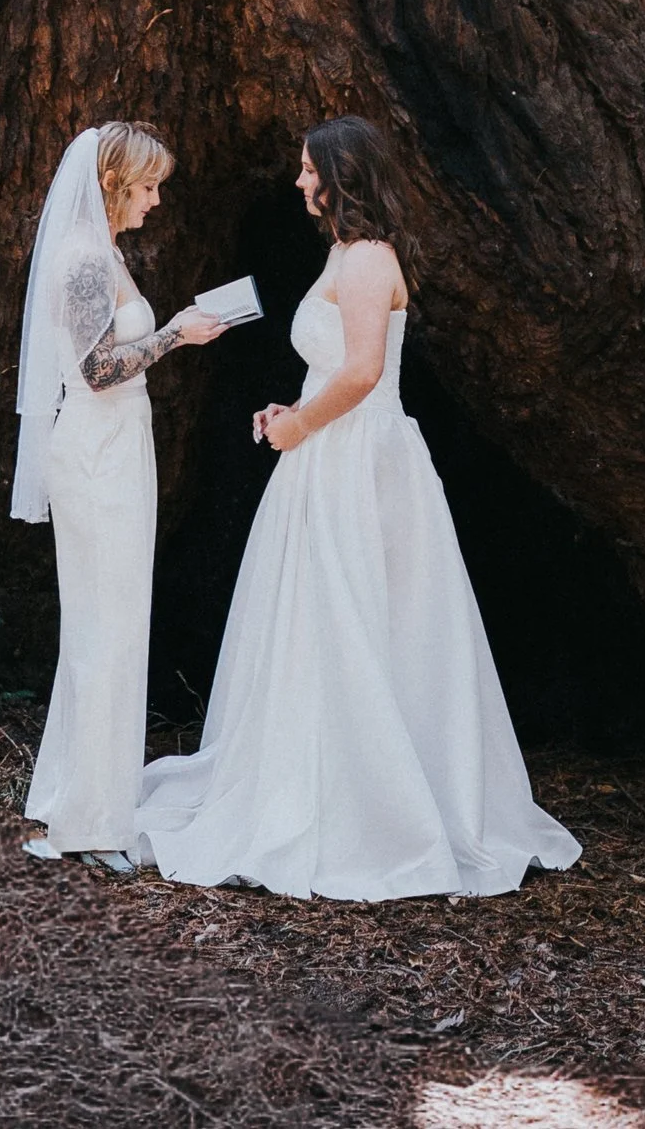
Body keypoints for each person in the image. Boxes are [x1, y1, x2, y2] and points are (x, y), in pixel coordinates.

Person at [135, 116, 580, 901]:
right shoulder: (342, 253)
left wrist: (304, 425)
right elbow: (332, 367)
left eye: (310, 170)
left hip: (363, 465)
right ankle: (308, 781)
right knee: (316, 624)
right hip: (323, 457)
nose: (300, 182)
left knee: (370, 621)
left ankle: (377, 813)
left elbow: (368, 371)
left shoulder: (371, 259)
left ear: (344, 177)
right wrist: (289, 411)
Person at [13, 120, 225, 868]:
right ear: (111, 185)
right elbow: (100, 370)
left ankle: (90, 795)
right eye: (147, 187)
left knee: (115, 625)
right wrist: (176, 334)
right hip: (95, 454)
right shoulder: (79, 261)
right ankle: (90, 825)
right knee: (105, 632)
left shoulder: (104, 254)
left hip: (119, 449)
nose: (157, 201)